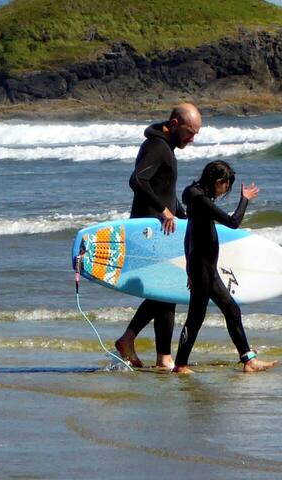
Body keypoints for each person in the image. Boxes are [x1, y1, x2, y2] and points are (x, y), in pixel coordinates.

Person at [112, 103, 200, 370]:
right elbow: (137, 180)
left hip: (162, 229)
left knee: (164, 292)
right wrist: (163, 210)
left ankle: (160, 356)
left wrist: (184, 215)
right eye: (189, 132)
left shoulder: (165, 147)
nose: (192, 139)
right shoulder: (157, 146)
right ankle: (138, 344)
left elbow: (165, 191)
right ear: (174, 125)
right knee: (166, 289)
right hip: (150, 230)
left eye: (195, 134)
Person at [173, 161, 275, 373]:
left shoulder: (195, 195)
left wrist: (189, 267)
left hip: (203, 267)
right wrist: (245, 199)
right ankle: (181, 364)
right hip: (203, 267)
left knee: (221, 312)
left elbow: (189, 233)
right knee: (206, 315)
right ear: (218, 181)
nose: (225, 190)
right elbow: (233, 222)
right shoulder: (199, 199)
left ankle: (247, 360)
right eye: (226, 186)